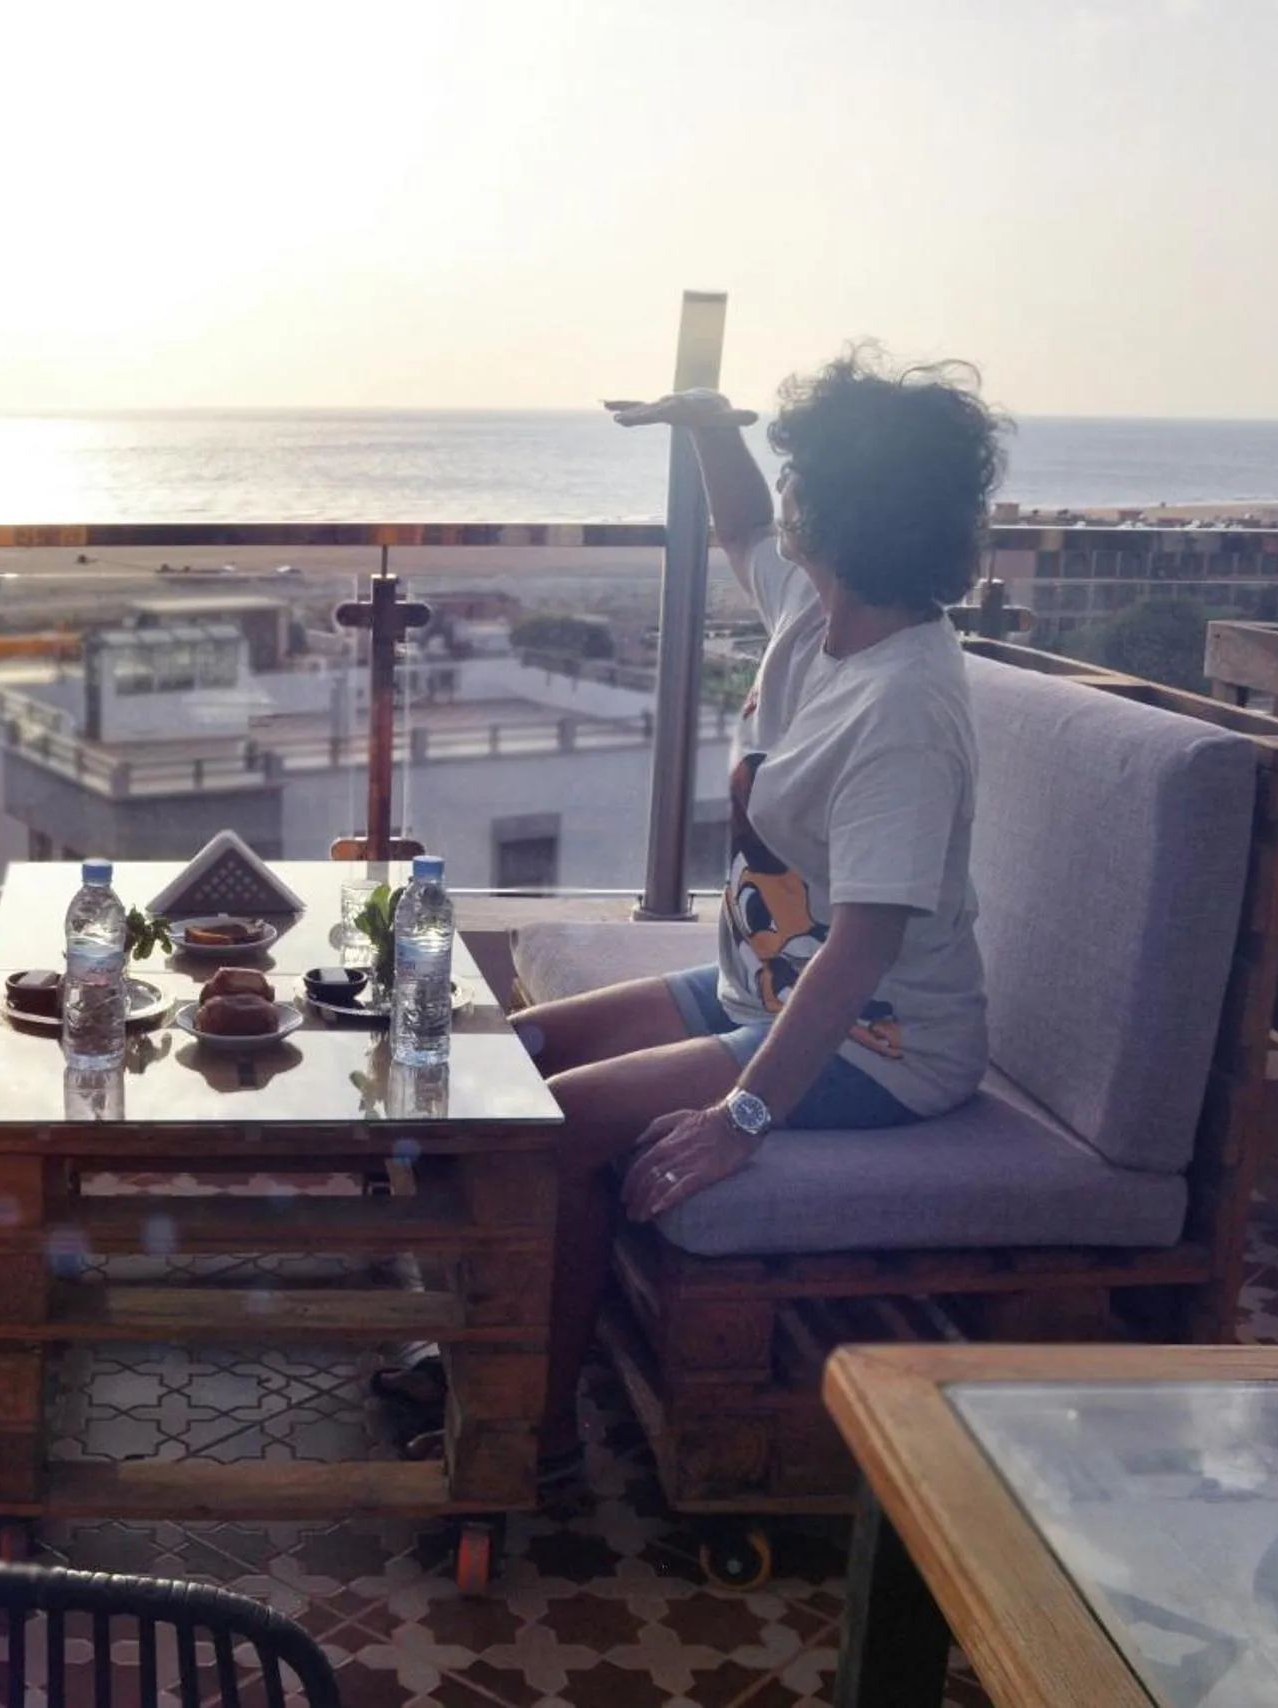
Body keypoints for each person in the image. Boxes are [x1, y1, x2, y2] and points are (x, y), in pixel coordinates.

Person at [512, 349, 1006, 1485]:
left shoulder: (905, 708)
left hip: (880, 1044)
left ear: (841, 509)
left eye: (800, 474)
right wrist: (707, 428)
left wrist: (741, 1116)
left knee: (546, 1132)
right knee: (512, 1055)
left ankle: (525, 1432)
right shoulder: (820, 609)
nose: (782, 495)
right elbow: (740, 530)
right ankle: (493, 1338)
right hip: (758, 988)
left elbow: (864, 944)